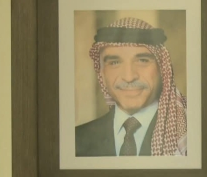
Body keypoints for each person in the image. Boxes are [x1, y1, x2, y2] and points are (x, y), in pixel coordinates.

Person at [75, 17, 188, 157]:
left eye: (142, 60)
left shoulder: (190, 133)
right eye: (115, 62)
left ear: (162, 69)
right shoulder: (76, 140)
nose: (129, 77)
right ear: (102, 73)